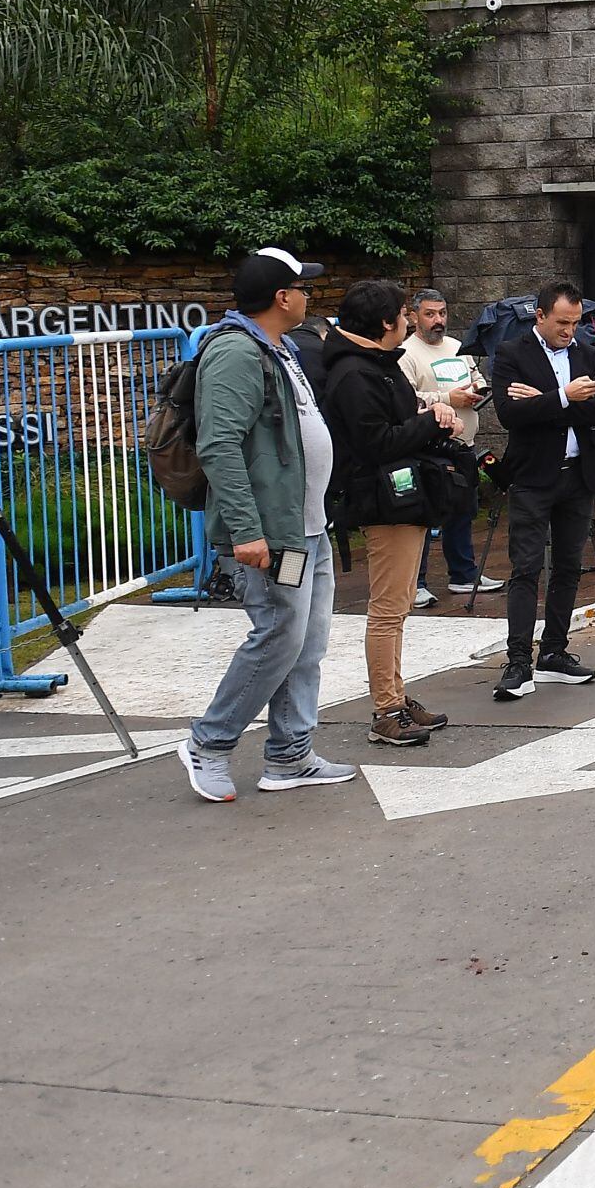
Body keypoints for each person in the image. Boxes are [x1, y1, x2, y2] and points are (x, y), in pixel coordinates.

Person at [180, 247, 360, 801]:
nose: (309, 295)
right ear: (282, 297)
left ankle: (289, 756)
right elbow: (219, 445)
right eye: (302, 286)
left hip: (307, 525)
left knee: (306, 643)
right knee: (279, 637)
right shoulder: (236, 352)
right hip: (274, 531)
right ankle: (208, 744)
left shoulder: (277, 348)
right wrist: (245, 530)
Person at [314, 279, 461, 746]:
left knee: (396, 607)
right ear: (385, 322)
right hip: (383, 499)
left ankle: (397, 693)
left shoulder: (375, 363)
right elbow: (375, 442)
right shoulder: (355, 373)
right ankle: (386, 707)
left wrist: (429, 415)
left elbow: (397, 420)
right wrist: (428, 420)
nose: (409, 319)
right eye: (403, 312)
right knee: (387, 609)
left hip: (401, 496)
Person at [490, 280, 595, 700]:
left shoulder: (588, 354)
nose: (570, 331)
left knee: (569, 566)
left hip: (579, 473)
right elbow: (511, 414)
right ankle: (518, 662)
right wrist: (564, 397)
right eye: (562, 322)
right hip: (533, 475)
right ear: (540, 315)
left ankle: (555, 651)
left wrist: (546, 402)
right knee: (525, 568)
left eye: (576, 323)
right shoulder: (513, 353)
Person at [400, 288, 497, 605]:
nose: (438, 320)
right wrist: (447, 400)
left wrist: (478, 389)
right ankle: (418, 581)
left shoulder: (458, 346)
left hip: (463, 443)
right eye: (430, 314)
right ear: (413, 316)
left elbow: (475, 375)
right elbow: (405, 400)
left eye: (441, 312)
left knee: (463, 511)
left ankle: (463, 574)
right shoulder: (405, 353)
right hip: (429, 446)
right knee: (427, 516)